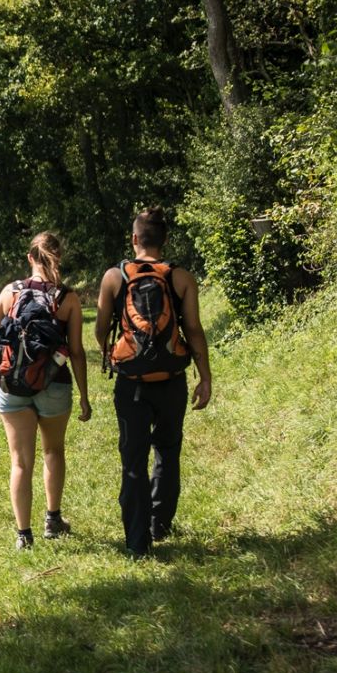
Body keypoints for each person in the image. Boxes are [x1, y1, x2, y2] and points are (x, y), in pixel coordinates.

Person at [94, 206, 212, 556]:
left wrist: (118, 358)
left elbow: (100, 331)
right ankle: (159, 523)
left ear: (134, 239)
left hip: (132, 383)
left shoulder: (114, 278)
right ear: (166, 240)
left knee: (133, 460)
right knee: (168, 449)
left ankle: (137, 544)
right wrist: (205, 378)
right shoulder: (181, 278)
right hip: (172, 379)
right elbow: (193, 329)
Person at [0, 231, 91, 550]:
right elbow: (77, 351)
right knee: (53, 451)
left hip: (13, 386)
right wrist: (84, 396)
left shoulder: (9, 293)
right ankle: (53, 520)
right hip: (53, 384)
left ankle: (23, 536)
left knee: (19, 462)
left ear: (30, 258)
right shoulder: (67, 298)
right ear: (59, 257)